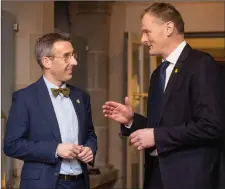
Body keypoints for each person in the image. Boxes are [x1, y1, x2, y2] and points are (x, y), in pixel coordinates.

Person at [102, 3, 224, 189]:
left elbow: (211, 126)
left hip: (191, 179)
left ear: (168, 28)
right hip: (157, 176)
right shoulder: (157, 73)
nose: (143, 39)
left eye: (147, 32)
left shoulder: (201, 64)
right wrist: (131, 120)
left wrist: (157, 136)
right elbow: (160, 126)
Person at [4, 32, 98, 189]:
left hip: (80, 183)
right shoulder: (25, 98)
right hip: (44, 184)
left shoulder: (81, 97)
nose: (74, 62)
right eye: (67, 56)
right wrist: (55, 149)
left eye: (73, 55)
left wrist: (90, 149)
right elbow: (12, 145)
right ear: (46, 61)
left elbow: (90, 134)